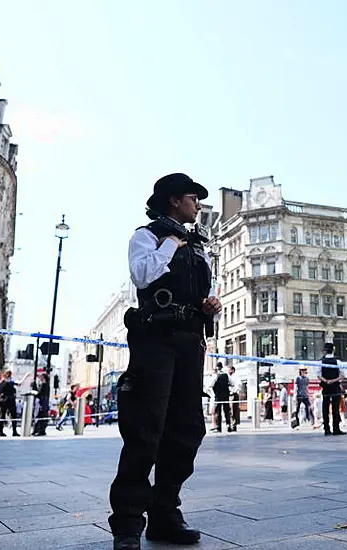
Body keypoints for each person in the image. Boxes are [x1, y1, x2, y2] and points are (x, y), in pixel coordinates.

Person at [108, 173, 221, 550]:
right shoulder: (148, 236)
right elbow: (143, 275)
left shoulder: (199, 246)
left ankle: (165, 513)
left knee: (187, 429)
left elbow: (200, 290)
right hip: (156, 339)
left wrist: (210, 307)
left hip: (191, 341)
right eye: (193, 198)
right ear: (174, 200)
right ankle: (127, 524)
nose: (198, 206)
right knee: (145, 428)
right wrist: (171, 243)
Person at [319, 342, 346, 436]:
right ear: (333, 350)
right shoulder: (338, 362)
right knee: (335, 408)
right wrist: (333, 380)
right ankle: (336, 429)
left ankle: (326, 429)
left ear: (325, 351)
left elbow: (318, 375)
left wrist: (326, 381)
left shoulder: (321, 362)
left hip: (325, 387)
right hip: (335, 387)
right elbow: (342, 375)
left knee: (325, 408)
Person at [0, 370, 25, 437]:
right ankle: (14, 431)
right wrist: (25, 376)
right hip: (10, 400)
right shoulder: (11, 382)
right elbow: (19, 383)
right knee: (13, 416)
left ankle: (1, 431)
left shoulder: (1, 383)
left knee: (2, 415)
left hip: (3, 400)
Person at [211, 364, 232, 433]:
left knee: (217, 411)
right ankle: (228, 425)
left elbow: (211, 384)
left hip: (218, 396)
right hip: (226, 395)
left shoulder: (215, 375)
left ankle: (218, 427)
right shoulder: (226, 375)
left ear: (217, 368)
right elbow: (232, 383)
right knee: (226, 411)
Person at [227, 365, 241, 430]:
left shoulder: (236, 376)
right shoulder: (228, 376)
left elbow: (238, 385)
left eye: (229, 369)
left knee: (233, 410)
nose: (228, 371)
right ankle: (230, 424)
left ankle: (234, 425)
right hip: (229, 394)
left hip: (233, 394)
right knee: (229, 410)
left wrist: (234, 391)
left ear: (232, 370)